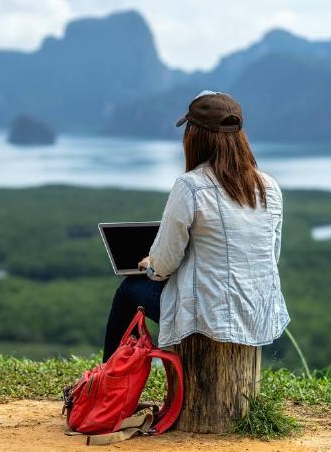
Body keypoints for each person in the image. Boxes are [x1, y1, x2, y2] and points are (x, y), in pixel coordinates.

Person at [102, 90, 289, 361]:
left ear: (195, 135)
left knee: (130, 290)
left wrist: (151, 265)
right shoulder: (269, 186)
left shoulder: (190, 186)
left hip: (210, 318)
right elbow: (272, 254)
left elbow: (163, 266)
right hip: (260, 312)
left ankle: (109, 386)